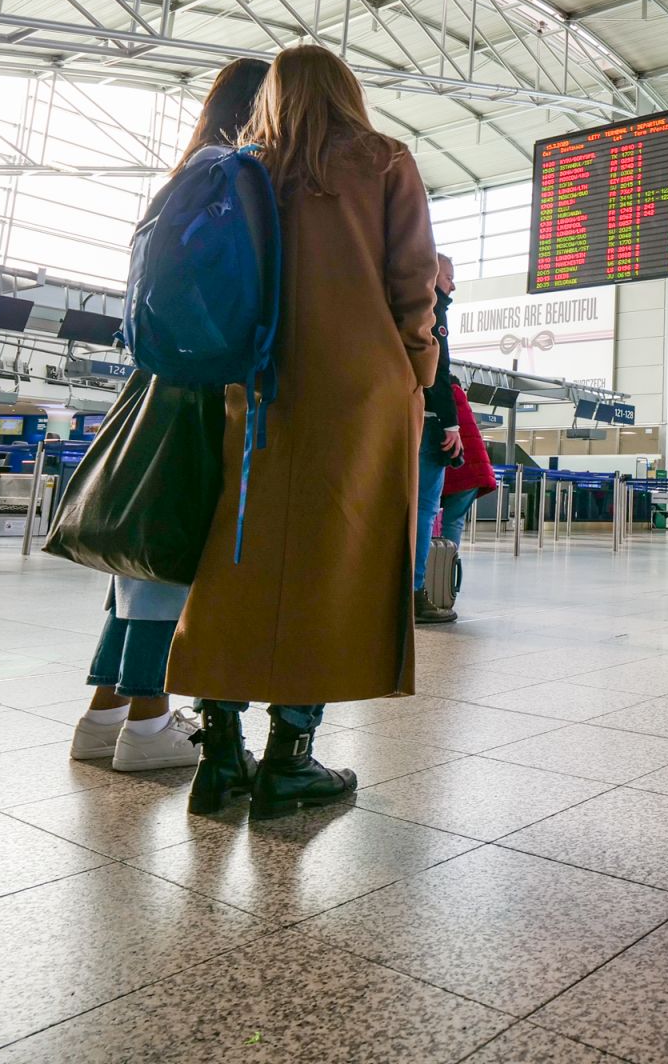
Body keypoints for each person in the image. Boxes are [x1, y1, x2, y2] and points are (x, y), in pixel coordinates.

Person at [167, 44, 439, 820]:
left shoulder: (243, 166)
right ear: (349, 91)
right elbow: (412, 282)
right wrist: (417, 371)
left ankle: (220, 754)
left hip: (254, 387)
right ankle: (292, 755)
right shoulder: (384, 158)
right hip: (360, 389)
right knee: (338, 560)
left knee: (232, 558)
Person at [71, 56, 269, 773]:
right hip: (204, 382)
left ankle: (105, 716)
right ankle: (150, 725)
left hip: (155, 378)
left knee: (143, 550)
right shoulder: (236, 174)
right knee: (172, 553)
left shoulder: (187, 171)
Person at [412, 254, 464, 623]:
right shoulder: (433, 309)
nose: (452, 285)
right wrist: (451, 423)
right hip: (428, 424)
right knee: (423, 508)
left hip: (400, 418)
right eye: (448, 276)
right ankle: (414, 594)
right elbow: (437, 368)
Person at [437, 380, 497, 572]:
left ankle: (432, 572)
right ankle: (446, 575)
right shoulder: (460, 398)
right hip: (472, 473)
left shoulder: (444, 396)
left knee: (428, 516)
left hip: (457, 470)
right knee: (454, 522)